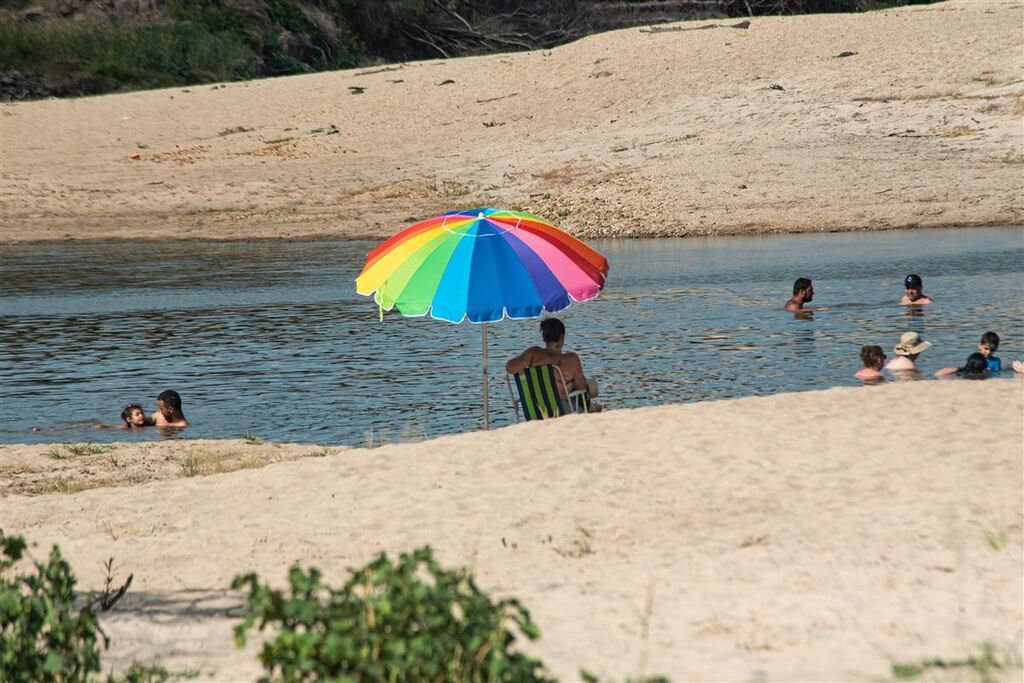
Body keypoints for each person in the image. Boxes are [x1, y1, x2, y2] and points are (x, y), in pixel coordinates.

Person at [506, 318, 600, 411]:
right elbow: (582, 387)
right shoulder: (571, 359)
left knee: (592, 406)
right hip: (563, 409)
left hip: (537, 409)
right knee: (597, 408)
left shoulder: (533, 353)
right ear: (562, 337)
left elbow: (510, 368)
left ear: (543, 337)